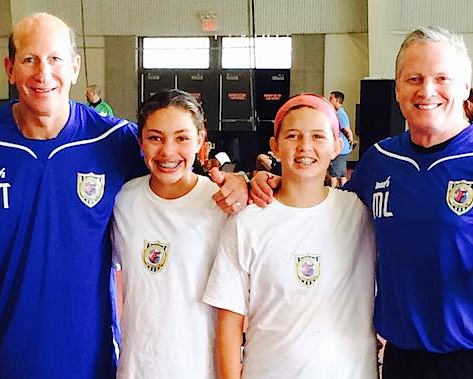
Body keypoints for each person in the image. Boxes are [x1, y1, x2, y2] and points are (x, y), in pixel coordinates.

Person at [0, 12, 247, 379]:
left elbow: (174, 170)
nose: (44, 74)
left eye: (56, 59)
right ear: (9, 68)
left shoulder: (116, 139)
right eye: (29, 60)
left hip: (88, 357)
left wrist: (245, 182)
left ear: (74, 67)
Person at [249, 26, 473, 379]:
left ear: (465, 88)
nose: (426, 90)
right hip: (406, 360)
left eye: (442, 78)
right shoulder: (380, 160)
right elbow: (325, 212)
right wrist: (272, 183)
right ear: (397, 88)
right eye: (413, 78)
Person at [203, 94, 377, 379]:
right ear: (275, 146)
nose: (305, 147)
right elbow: (229, 322)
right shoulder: (247, 222)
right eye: (293, 136)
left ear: (337, 147)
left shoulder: (358, 212)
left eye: (318, 137)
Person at [111, 89, 227, 378]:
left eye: (182, 138)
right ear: (140, 142)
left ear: (201, 140)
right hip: (138, 367)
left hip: (202, 368)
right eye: (155, 137)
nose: (167, 152)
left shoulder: (223, 203)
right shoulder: (124, 200)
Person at [327, 91, 354, 187]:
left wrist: (350, 140)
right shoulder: (339, 113)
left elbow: (347, 130)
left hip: (340, 150)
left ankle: (332, 193)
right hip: (343, 149)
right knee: (342, 175)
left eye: (331, 98)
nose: (329, 100)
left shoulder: (339, 114)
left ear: (337, 100)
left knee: (334, 176)